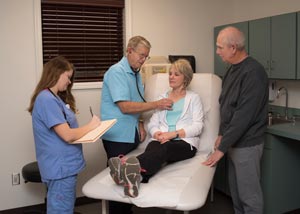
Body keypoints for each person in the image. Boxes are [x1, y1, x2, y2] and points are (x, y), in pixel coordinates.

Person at [108, 58, 204, 198]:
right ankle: (136, 178)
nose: (171, 76)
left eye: (176, 74)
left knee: (165, 149)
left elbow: (198, 126)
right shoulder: (162, 98)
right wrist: (158, 133)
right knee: (154, 150)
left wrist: (172, 135)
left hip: (184, 143)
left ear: (186, 78)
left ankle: (126, 167)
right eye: (170, 73)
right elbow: (153, 123)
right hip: (160, 139)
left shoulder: (193, 98)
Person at [100, 35, 173, 214]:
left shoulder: (135, 73)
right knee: (119, 179)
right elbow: (125, 106)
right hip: (117, 135)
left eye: (146, 56)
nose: (143, 60)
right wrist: (157, 104)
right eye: (141, 55)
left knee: (128, 176)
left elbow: (136, 101)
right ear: (129, 51)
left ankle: (126, 210)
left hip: (130, 132)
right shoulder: (117, 72)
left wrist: (140, 122)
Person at [202, 26, 269, 214]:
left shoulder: (253, 72)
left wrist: (221, 148)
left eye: (219, 47)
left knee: (249, 197)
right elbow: (227, 104)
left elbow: (243, 116)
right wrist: (222, 134)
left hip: (246, 145)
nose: (217, 51)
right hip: (233, 142)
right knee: (237, 195)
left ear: (233, 48)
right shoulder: (232, 70)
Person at [28, 56, 101, 214]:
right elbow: (67, 135)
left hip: (63, 167)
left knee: (62, 208)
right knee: (61, 210)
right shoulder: (46, 99)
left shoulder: (54, 98)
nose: (69, 82)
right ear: (56, 73)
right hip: (60, 169)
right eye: (68, 77)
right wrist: (91, 126)